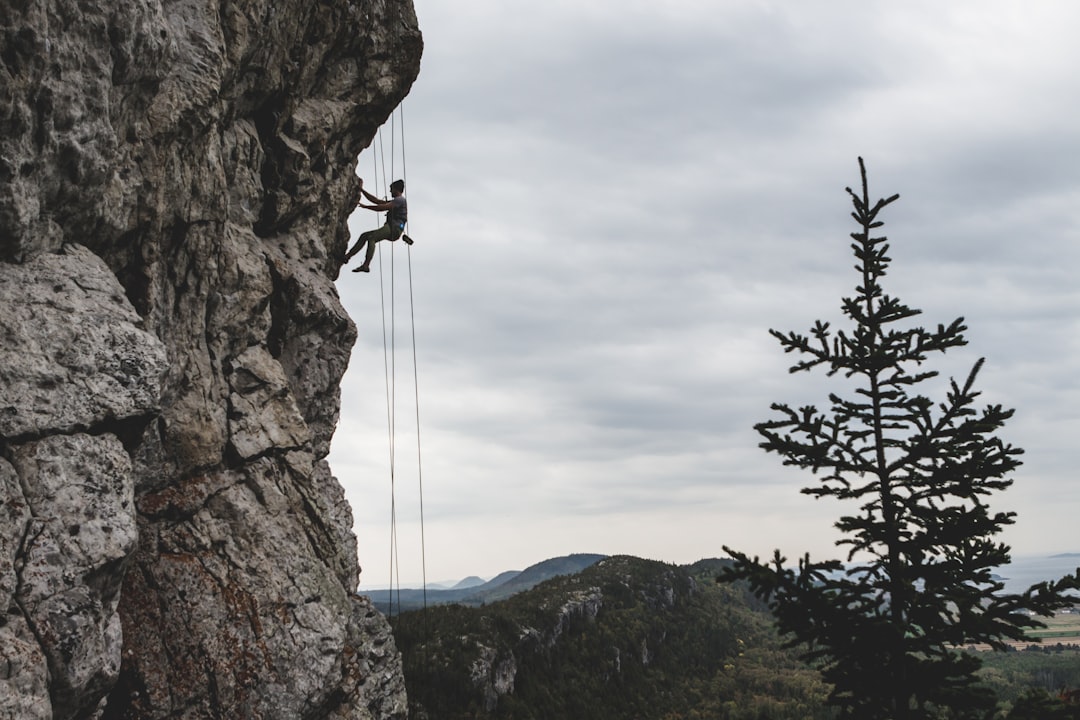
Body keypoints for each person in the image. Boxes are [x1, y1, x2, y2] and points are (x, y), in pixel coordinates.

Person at [345, 178, 411, 273]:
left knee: (372, 237)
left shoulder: (400, 200)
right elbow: (376, 201)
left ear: (396, 189)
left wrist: (365, 207)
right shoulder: (396, 201)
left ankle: (366, 265)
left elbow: (381, 208)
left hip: (394, 229)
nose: (390, 191)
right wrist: (361, 190)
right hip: (392, 227)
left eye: (391, 189)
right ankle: (347, 256)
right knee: (364, 236)